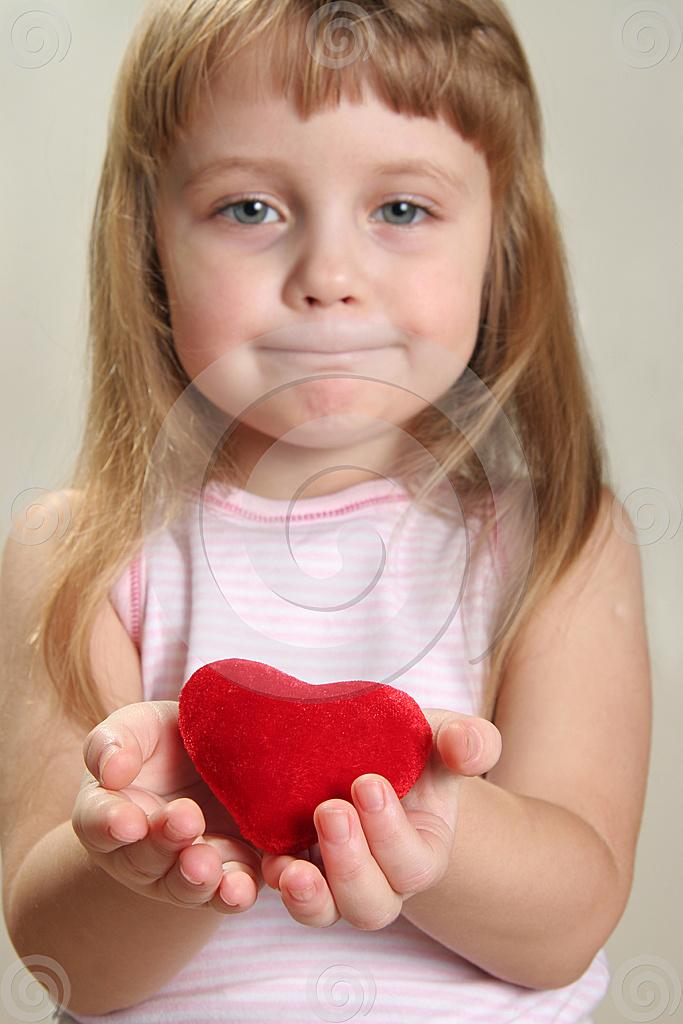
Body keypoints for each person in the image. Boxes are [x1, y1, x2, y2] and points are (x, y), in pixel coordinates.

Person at [1, 1, 651, 1022]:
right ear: (149, 243)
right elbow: (57, 952)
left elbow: (571, 914)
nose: (328, 280)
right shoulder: (80, 557)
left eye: (400, 210)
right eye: (250, 208)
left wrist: (425, 819)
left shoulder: (555, 543)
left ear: (502, 243)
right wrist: (173, 843)